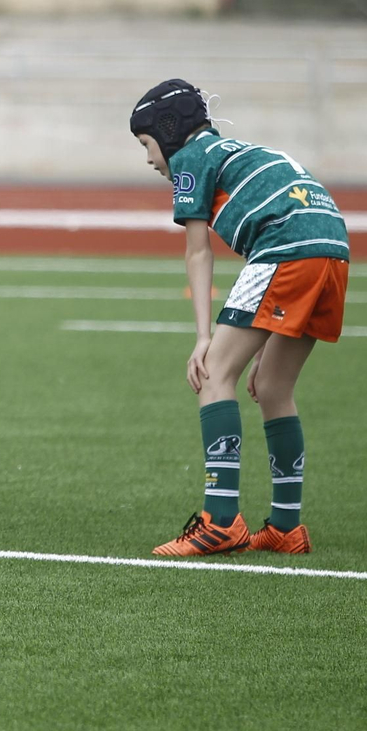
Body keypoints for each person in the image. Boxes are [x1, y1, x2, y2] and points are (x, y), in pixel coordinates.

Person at [130, 80, 350, 557]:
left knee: (213, 374)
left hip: (285, 248)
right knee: (272, 386)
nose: (149, 160)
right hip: (333, 249)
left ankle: (221, 521)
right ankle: (286, 528)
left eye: (147, 145)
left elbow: (197, 252)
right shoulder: (242, 150)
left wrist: (203, 338)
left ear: (168, 133)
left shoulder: (190, 157)